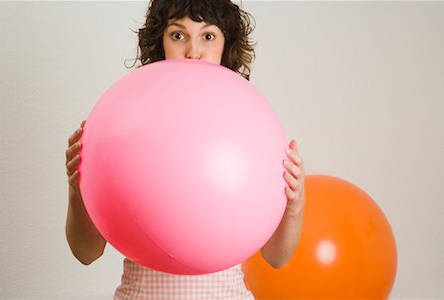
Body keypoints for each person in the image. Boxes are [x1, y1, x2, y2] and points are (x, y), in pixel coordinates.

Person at [65, 0, 305, 299]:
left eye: (208, 36)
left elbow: (276, 258)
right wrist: (78, 190)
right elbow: (86, 253)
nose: (193, 51)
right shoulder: (130, 120)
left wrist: (294, 205)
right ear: (160, 41)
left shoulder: (249, 123)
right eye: (178, 35)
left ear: (225, 43)